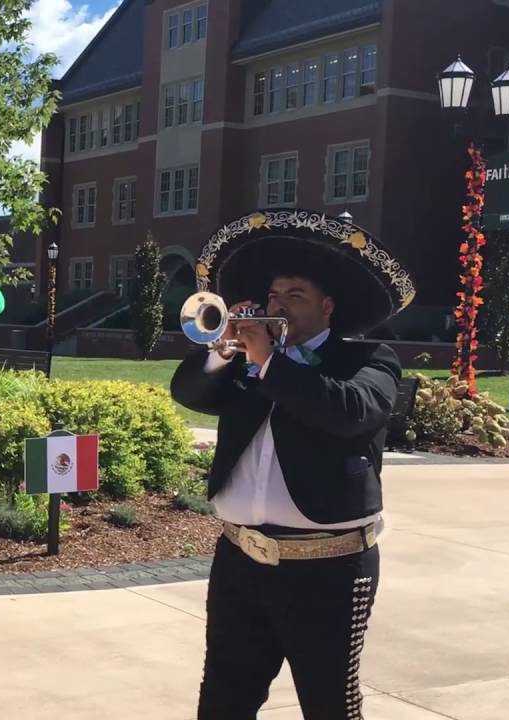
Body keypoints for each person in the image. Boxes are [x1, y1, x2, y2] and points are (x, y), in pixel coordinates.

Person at [171, 211, 415, 720]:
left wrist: (269, 363)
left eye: (295, 297)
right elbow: (187, 392)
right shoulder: (246, 360)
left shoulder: (370, 360)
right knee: (222, 700)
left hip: (328, 567)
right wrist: (222, 351)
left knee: (330, 705)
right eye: (274, 297)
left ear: (327, 307)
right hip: (239, 558)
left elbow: (349, 413)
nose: (278, 306)